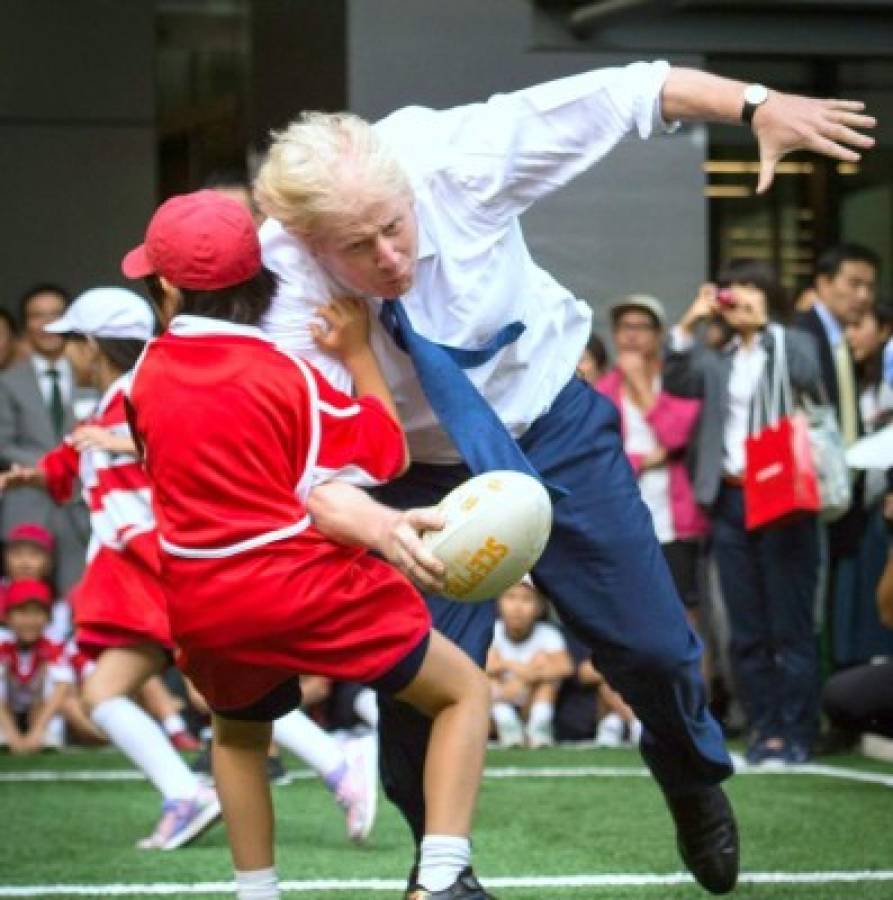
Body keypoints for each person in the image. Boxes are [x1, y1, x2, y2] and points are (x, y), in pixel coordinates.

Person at [253, 62, 875, 896]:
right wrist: (380, 529)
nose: (391, 256)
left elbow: (626, 92)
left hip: (551, 425)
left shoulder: (456, 158)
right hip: (409, 477)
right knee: (411, 691)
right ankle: (441, 870)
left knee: (653, 648)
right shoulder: (285, 284)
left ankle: (688, 777)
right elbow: (307, 466)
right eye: (358, 249)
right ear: (307, 241)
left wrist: (754, 104)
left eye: (395, 228)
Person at [121, 190, 493, 900]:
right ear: (260, 275)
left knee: (236, 738)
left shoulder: (140, 377)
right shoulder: (285, 373)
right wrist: (358, 355)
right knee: (462, 691)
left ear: (165, 285)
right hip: (299, 587)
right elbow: (387, 455)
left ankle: (256, 891)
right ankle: (442, 876)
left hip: (200, 598)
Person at [0, 286, 221, 850]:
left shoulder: (136, 393)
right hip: (140, 563)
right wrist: (33, 476)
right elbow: (72, 458)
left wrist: (117, 441)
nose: (67, 353)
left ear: (94, 346)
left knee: (174, 689)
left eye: (73, 341)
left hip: (151, 562)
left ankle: (189, 791)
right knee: (133, 690)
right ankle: (191, 790)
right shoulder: (108, 403)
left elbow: (180, 443)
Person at [664, 259, 825, 766]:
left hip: (783, 494)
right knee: (746, 626)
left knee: (790, 623)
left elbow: (809, 377)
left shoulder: (793, 343)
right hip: (731, 497)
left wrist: (769, 328)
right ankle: (764, 728)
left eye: (753, 287)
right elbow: (676, 379)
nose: (743, 297)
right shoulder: (717, 358)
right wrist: (691, 322)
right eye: (735, 290)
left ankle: (798, 730)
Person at [597, 295, 708, 632]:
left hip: (675, 522)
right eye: (624, 327)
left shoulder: (676, 380)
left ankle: (693, 687)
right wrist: (643, 459)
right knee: (630, 616)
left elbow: (676, 437)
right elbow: (598, 457)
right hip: (624, 517)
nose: (632, 335)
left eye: (642, 327)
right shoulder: (603, 391)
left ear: (659, 336)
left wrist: (641, 386)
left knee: (685, 618)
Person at [0, 284, 90, 594]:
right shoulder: (8, 381)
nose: (47, 324)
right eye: (37, 316)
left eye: (55, 315)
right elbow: (3, 442)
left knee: (79, 594)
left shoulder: (90, 373)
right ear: (25, 324)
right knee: (23, 602)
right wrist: (52, 467)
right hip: (27, 501)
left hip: (80, 504)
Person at [794, 243, 880, 564]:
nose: (863, 296)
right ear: (823, 283)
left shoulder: (840, 339)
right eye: (854, 283)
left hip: (842, 491)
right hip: (811, 485)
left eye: (870, 286)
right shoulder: (801, 333)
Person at [486, 577, 572, 749]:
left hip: (530, 700)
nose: (517, 607)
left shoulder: (548, 634)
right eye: (510, 597)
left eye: (526, 599)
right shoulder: (492, 630)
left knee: (548, 680)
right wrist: (517, 668)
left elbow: (565, 667)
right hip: (498, 701)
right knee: (488, 681)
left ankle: (539, 725)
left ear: (539, 607)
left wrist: (525, 679)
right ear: (499, 603)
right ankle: (507, 726)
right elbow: (487, 666)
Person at [0, 578, 75, 752]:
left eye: (37, 613)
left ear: (48, 618)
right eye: (22, 613)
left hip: (39, 709)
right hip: (7, 709)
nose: (29, 621)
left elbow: (61, 688)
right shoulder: (3, 643)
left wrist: (36, 732)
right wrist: (13, 736)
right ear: (7, 617)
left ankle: (48, 732)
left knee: (59, 685)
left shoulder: (54, 644)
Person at [2, 523, 71, 643]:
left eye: (34, 555)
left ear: (48, 562)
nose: (25, 563)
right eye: (17, 554)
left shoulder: (59, 607)